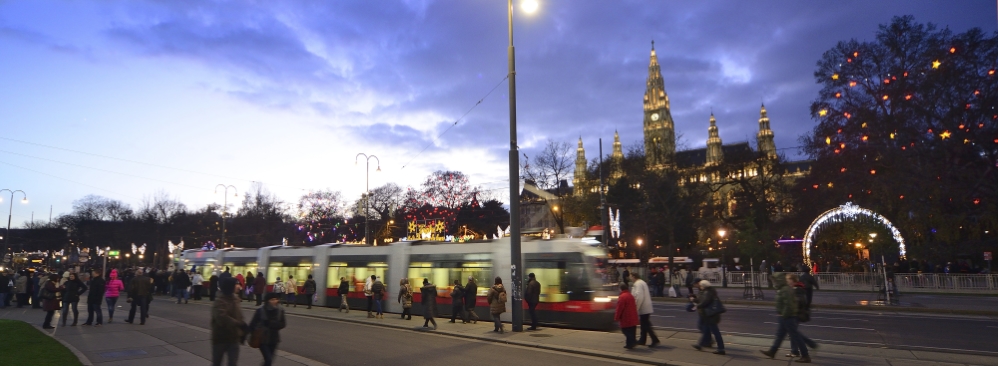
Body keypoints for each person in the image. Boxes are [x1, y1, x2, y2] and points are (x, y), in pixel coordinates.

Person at [760, 273, 811, 363]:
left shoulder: (785, 290)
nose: (773, 283)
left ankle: (805, 355)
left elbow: (789, 305)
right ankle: (772, 351)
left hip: (787, 317)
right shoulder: (783, 289)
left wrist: (783, 314)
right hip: (785, 316)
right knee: (780, 335)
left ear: (779, 280)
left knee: (795, 336)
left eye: (775, 281)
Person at [211, 278, 245, 366]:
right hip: (220, 338)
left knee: (233, 363)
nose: (238, 286)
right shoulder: (219, 301)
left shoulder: (236, 299)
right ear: (230, 287)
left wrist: (242, 332)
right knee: (217, 363)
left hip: (234, 338)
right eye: (236, 284)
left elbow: (239, 316)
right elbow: (222, 318)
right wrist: (238, 324)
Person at [250, 293, 287, 366]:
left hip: (274, 339)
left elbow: (283, 324)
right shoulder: (260, 310)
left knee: (268, 361)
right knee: (268, 359)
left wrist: (271, 324)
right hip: (263, 340)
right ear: (267, 301)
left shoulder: (280, 310)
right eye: (272, 299)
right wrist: (252, 334)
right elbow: (252, 324)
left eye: (276, 299)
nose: (275, 301)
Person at [691, 280, 725, 355]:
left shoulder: (708, 292)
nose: (700, 287)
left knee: (715, 332)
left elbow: (704, 302)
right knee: (706, 330)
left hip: (711, 315)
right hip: (709, 315)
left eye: (701, 286)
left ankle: (721, 348)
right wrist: (695, 299)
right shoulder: (709, 291)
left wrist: (697, 306)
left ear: (703, 286)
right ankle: (699, 345)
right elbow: (702, 300)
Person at [631, 272, 659, 347]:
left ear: (634, 277)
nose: (630, 278)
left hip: (643, 307)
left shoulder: (638, 284)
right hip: (646, 306)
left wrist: (636, 308)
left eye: (631, 277)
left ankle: (654, 339)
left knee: (646, 325)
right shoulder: (642, 282)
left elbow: (639, 297)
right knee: (644, 325)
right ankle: (642, 340)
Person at [614, 283, 638, 349]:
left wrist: (616, 317)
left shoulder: (622, 297)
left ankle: (632, 342)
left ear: (620, 289)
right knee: (632, 331)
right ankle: (629, 344)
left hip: (626, 317)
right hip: (633, 316)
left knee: (625, 330)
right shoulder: (630, 295)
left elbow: (619, 308)